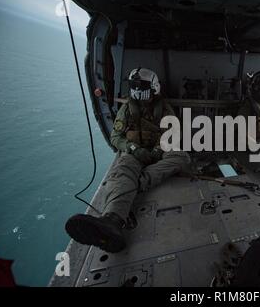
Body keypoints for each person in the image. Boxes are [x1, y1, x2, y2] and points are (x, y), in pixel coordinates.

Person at [65, 68, 190, 253]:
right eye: (136, 91)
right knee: (124, 167)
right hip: (135, 153)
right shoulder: (127, 109)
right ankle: (112, 221)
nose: (140, 96)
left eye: (144, 91)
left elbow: (173, 133)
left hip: (158, 153)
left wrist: (157, 149)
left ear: (154, 90)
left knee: (181, 157)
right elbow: (116, 137)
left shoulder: (164, 109)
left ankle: (136, 183)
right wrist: (133, 148)